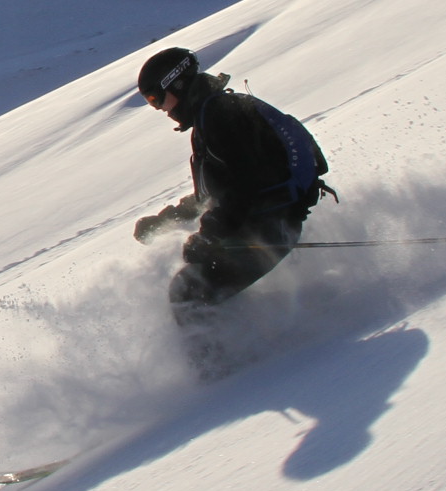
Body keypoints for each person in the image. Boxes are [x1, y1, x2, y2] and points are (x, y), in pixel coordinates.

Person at [130, 45, 332, 313]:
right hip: (266, 226)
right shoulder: (210, 116)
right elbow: (214, 195)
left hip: (270, 230)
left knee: (187, 290)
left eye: (156, 98)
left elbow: (244, 186)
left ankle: (224, 353)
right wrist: (165, 221)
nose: (159, 109)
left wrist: (209, 235)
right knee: (192, 280)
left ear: (177, 85)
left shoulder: (220, 117)